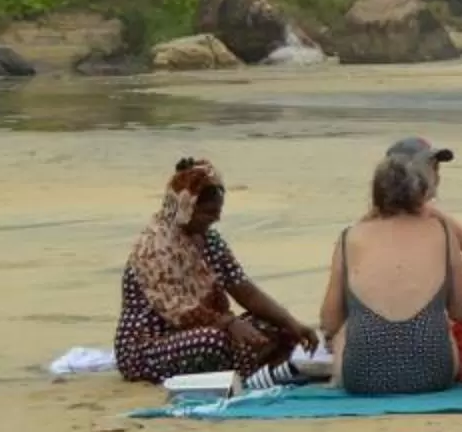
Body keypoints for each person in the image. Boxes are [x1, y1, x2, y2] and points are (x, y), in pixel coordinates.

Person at [114, 157, 318, 383]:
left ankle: (249, 367)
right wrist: (230, 324)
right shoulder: (154, 247)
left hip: (208, 327)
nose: (216, 218)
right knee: (214, 341)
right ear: (186, 207)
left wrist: (292, 323)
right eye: (209, 212)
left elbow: (244, 289)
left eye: (218, 211)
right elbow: (181, 312)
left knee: (274, 325)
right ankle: (250, 370)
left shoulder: (209, 240)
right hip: (149, 346)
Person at [319, 148, 462, 395]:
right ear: (422, 193)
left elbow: (329, 322)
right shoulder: (443, 232)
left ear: (376, 197)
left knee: (343, 333)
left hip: (363, 379)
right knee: (442, 321)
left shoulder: (349, 237)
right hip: (432, 375)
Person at [384, 135, 462, 302]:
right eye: (432, 168)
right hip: (405, 297)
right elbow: (440, 273)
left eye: (437, 168)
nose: (437, 176)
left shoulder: (433, 215)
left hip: (433, 290)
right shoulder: (386, 221)